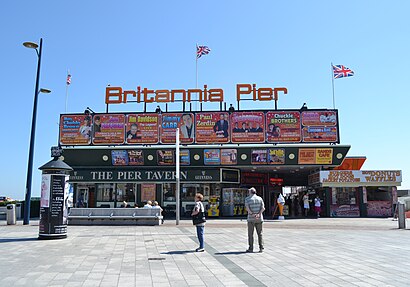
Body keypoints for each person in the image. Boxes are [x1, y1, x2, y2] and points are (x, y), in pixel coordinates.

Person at [244, 187, 265, 253]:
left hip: (251, 219)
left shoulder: (247, 199)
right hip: (259, 218)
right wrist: (258, 214)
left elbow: (247, 209)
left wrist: (252, 214)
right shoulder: (260, 198)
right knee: (260, 233)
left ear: (250, 192)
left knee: (250, 234)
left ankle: (251, 248)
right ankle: (261, 247)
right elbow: (263, 208)